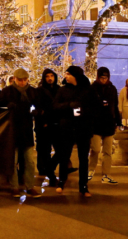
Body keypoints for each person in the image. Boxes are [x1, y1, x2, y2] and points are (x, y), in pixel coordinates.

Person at [53, 66, 99, 197]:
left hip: (83, 128)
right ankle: (61, 181)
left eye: (68, 74)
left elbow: (96, 107)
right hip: (67, 127)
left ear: (75, 76)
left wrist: (85, 112)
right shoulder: (63, 90)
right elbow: (55, 106)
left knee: (83, 158)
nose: (65, 76)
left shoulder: (88, 90)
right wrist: (68, 105)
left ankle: (83, 186)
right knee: (64, 156)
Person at [0, 68, 42, 198]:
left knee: (29, 161)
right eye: (20, 80)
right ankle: (15, 186)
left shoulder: (32, 92)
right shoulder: (7, 92)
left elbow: (40, 106)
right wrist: (7, 106)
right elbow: (0, 107)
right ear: (14, 79)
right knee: (14, 160)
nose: (22, 83)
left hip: (26, 129)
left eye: (24, 80)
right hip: (12, 129)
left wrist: (37, 112)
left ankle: (30, 186)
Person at [89, 67, 121, 185]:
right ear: (98, 77)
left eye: (105, 78)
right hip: (96, 124)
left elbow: (115, 106)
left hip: (108, 123)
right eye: (101, 78)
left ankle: (106, 174)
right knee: (95, 148)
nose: (103, 80)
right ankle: (91, 169)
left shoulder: (112, 89)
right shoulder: (92, 89)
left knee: (108, 151)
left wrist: (118, 122)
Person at [36, 69, 60, 185]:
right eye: (47, 76)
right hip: (44, 126)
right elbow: (38, 108)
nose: (50, 78)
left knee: (61, 150)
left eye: (52, 76)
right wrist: (43, 120)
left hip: (57, 124)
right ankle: (51, 176)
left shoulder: (59, 90)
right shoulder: (40, 91)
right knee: (45, 152)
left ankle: (49, 169)